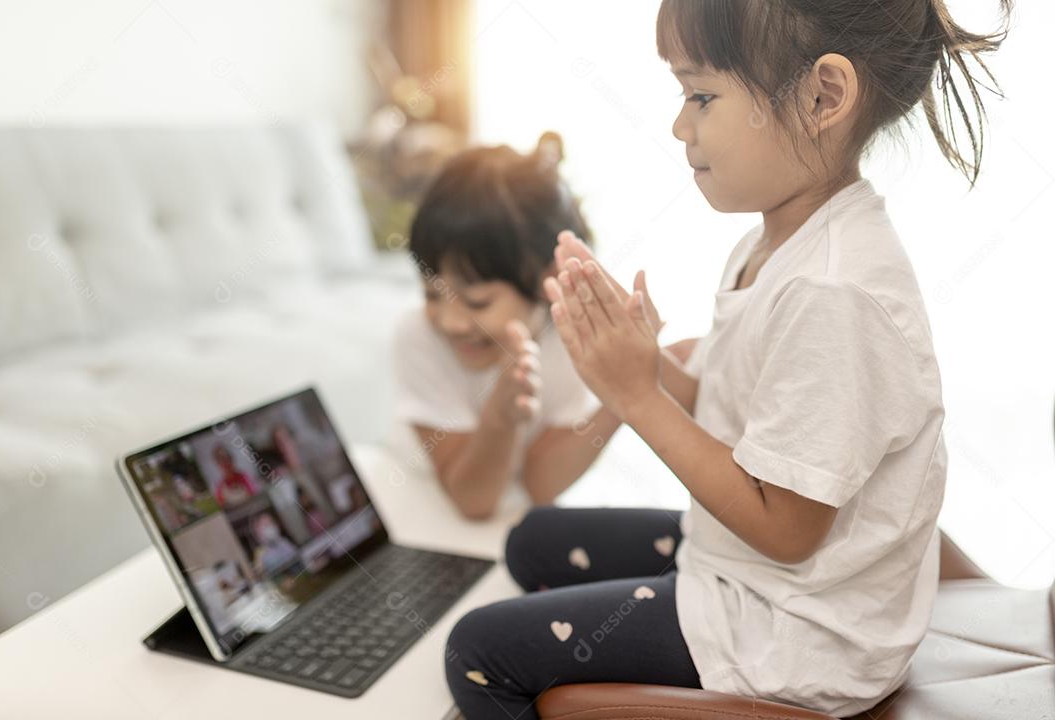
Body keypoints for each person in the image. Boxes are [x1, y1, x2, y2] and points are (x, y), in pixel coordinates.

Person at [443, 0, 1011, 717]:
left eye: (701, 96)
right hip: (756, 575)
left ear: (822, 97)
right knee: (531, 542)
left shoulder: (832, 294)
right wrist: (638, 357)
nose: (680, 125)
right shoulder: (775, 242)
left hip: (798, 633)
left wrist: (637, 397)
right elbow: (728, 404)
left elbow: (786, 531)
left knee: (476, 654)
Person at [393, 133, 699, 519]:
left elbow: (538, 485)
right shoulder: (420, 338)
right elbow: (473, 502)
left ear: (547, 279)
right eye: (431, 294)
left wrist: (628, 387)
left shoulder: (569, 339)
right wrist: (500, 418)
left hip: (517, 518)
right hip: (422, 506)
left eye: (477, 302)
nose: (450, 321)